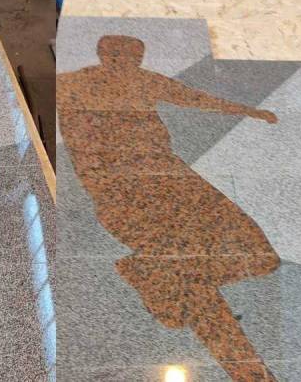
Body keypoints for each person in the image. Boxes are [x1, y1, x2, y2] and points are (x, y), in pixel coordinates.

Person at [57, 35, 280, 381]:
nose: (129, 63)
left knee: (254, 252)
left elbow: (194, 98)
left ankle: (155, 273)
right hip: (123, 189)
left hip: (169, 173)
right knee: (189, 277)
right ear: (104, 55)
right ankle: (247, 369)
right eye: (120, 56)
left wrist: (249, 111)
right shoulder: (71, 84)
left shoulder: (144, 80)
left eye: (135, 57)